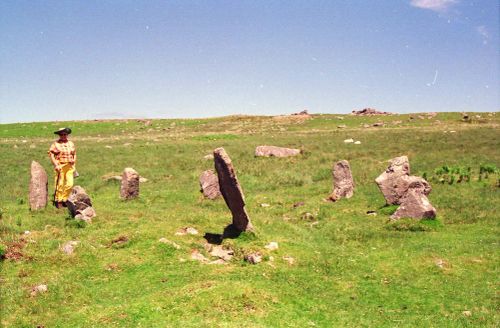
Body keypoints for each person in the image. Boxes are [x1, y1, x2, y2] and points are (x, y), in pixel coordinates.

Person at [48, 127, 76, 208]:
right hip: (60, 165)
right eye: (61, 134)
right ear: (59, 135)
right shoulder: (55, 144)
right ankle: (58, 201)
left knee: (70, 184)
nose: (63, 136)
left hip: (70, 166)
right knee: (59, 184)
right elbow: (51, 154)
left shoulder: (71, 143)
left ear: (67, 135)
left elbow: (74, 153)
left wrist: (74, 161)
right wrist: (56, 165)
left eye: (65, 134)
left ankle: (65, 199)